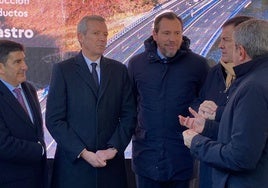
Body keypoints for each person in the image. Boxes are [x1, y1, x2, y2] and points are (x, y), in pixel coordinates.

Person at [45, 15, 137, 188]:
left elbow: (129, 115)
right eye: (96, 33)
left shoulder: (119, 70)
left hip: (110, 168)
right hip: (73, 168)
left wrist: (113, 149)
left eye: (105, 34)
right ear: (81, 37)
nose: (103, 38)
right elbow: (54, 119)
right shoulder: (63, 70)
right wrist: (83, 152)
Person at [180, 19, 268, 188]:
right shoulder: (257, 79)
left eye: (230, 43)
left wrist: (197, 142)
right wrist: (206, 127)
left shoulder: (252, 87)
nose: (221, 46)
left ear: (241, 52)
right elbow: (247, 133)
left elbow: (240, 157)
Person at [128, 10, 209, 188]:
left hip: (182, 157)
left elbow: (204, 104)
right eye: (166, 33)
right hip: (146, 158)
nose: (173, 38)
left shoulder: (198, 65)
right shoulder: (136, 64)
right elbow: (130, 106)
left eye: (177, 33)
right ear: (154, 35)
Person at [191, 15, 253, 188]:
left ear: (243, 43)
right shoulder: (214, 72)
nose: (220, 45)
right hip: (210, 165)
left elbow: (242, 130)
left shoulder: (254, 83)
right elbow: (199, 100)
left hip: (237, 174)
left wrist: (209, 122)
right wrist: (201, 112)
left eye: (226, 40)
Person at [0, 40, 47, 188]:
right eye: (17, 62)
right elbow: (3, 144)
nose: (25, 67)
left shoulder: (29, 89)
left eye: (24, 60)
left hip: (39, 179)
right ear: (1, 67)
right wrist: (40, 150)